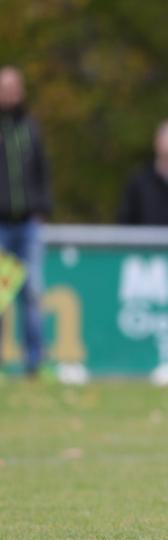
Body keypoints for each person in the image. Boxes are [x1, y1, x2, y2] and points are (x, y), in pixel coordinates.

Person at [0, 66, 51, 376]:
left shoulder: (29, 128)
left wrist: (42, 207)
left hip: (27, 224)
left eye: (13, 87)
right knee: (1, 294)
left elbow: (43, 170)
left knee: (32, 292)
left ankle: (35, 363)